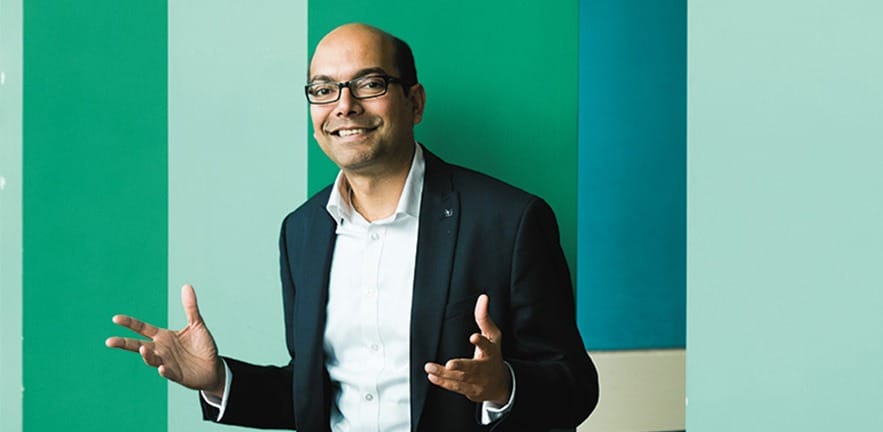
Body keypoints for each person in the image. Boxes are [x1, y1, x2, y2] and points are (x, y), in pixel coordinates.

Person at [106, 23, 599, 431]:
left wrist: (503, 386)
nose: (344, 105)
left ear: (415, 102)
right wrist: (219, 380)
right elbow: (313, 395)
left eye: (369, 84)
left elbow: (576, 386)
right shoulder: (301, 231)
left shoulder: (509, 221)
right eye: (324, 90)